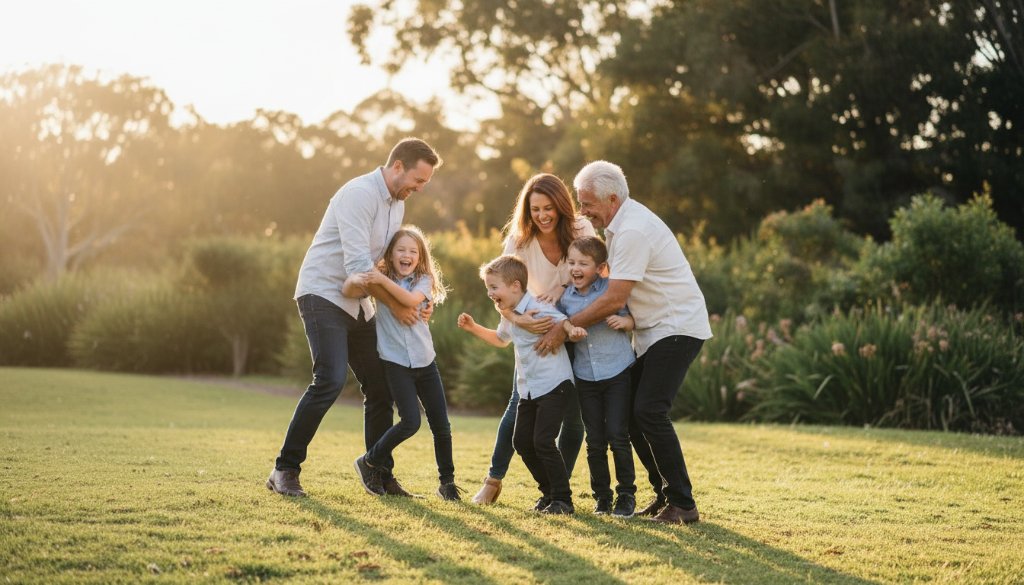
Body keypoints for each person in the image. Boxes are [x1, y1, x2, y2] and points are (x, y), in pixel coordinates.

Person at [535, 160, 712, 524]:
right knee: (634, 414)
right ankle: (666, 496)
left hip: (675, 326)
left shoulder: (631, 231)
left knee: (648, 410)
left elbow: (614, 299)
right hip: (654, 329)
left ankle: (683, 503)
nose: (583, 212)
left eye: (587, 204)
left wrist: (563, 326)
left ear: (612, 198)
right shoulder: (620, 225)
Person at [266, 138, 442, 498]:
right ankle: (284, 469)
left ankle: (379, 473)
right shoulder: (358, 195)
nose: (419, 189)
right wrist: (397, 306)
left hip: (360, 302)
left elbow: (385, 268)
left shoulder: (396, 205)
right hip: (324, 293)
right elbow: (360, 268)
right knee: (329, 378)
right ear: (397, 167)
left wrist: (419, 299)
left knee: (380, 386)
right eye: (418, 180)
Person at [470, 173, 596, 505]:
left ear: (561, 206)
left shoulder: (581, 230)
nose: (542, 215)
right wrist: (516, 319)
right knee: (518, 407)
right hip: (535, 329)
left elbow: (599, 274)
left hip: (575, 326)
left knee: (573, 418)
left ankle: (557, 490)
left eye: (549, 207)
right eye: (535, 208)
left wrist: (560, 297)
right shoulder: (519, 242)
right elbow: (499, 291)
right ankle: (493, 480)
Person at [344, 226, 464, 500]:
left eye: (413, 251)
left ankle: (447, 484)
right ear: (390, 254)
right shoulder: (379, 277)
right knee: (410, 422)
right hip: (396, 364)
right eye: (401, 250)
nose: (407, 255)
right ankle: (369, 461)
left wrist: (380, 280)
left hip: (425, 363)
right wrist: (375, 274)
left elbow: (408, 300)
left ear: (421, 257)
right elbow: (351, 286)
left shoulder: (421, 281)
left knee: (441, 426)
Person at [458, 255, 576, 514]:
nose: (490, 293)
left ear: (515, 286)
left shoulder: (538, 307)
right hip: (529, 389)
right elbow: (501, 340)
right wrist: (474, 327)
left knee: (543, 441)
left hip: (555, 384)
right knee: (522, 441)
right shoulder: (509, 315)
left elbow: (563, 323)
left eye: (494, 287)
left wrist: (568, 329)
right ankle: (549, 492)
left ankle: (563, 499)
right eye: (488, 287)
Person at [555, 236, 637, 517]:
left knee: (617, 434)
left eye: (583, 264)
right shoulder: (566, 298)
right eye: (572, 262)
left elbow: (634, 317)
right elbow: (560, 325)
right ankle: (602, 497)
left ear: (600, 267)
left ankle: (626, 495)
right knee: (595, 439)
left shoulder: (610, 290)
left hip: (616, 371)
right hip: (586, 376)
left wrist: (626, 322)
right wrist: (569, 329)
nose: (575, 268)